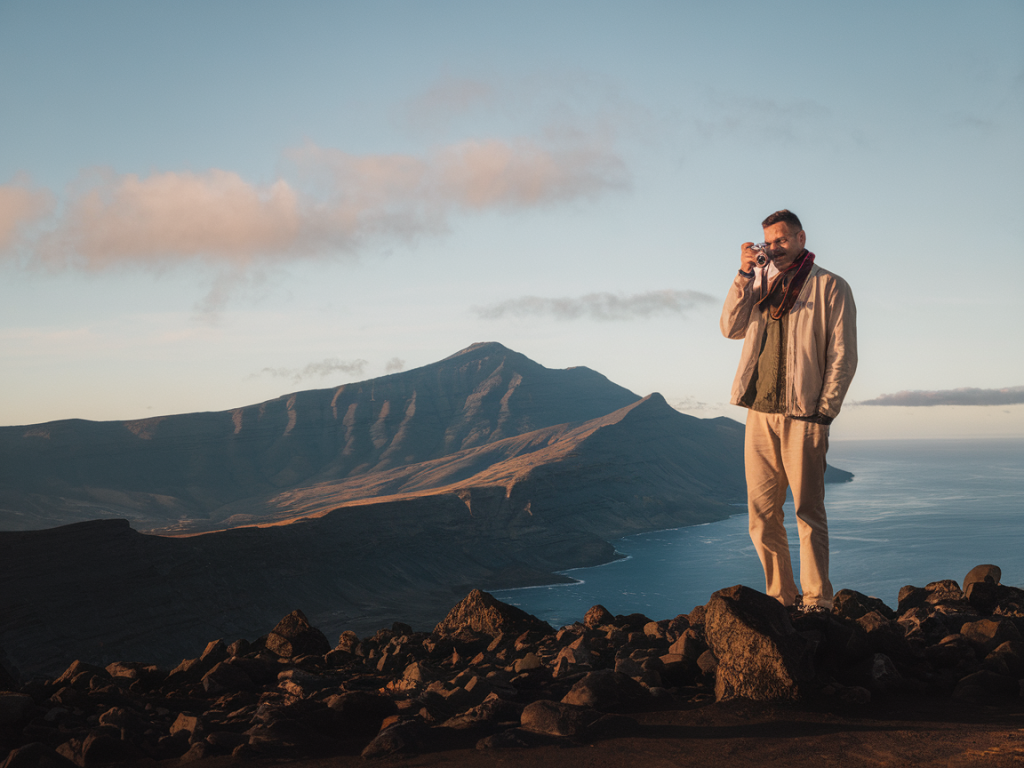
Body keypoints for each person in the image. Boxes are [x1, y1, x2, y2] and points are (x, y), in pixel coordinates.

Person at [720, 210, 857, 613]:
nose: (774, 248)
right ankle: (780, 597)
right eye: (768, 242)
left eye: (781, 240)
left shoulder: (830, 286)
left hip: (805, 414)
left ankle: (817, 600)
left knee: (807, 511)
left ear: (800, 238)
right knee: (761, 514)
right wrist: (744, 276)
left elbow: (843, 354)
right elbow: (730, 328)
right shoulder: (761, 282)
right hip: (760, 411)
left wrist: (824, 410)